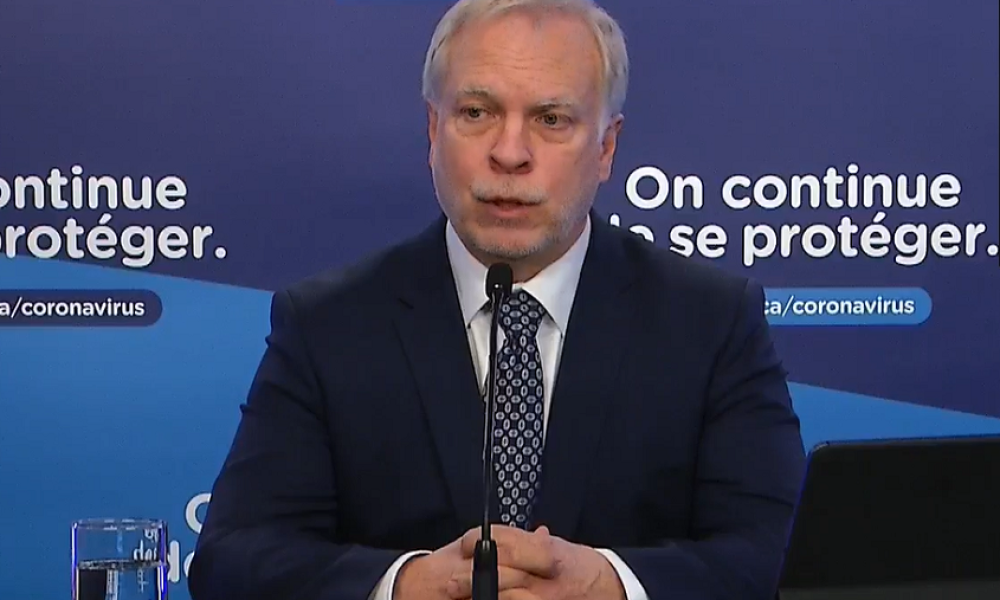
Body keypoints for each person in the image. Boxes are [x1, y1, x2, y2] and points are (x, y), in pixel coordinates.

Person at [187, 0, 807, 598]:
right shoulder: (329, 326)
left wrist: (611, 586)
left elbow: (779, 556)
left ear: (606, 148)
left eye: (551, 119)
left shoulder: (709, 323)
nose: (509, 153)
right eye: (477, 112)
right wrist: (403, 586)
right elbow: (233, 560)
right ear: (434, 130)